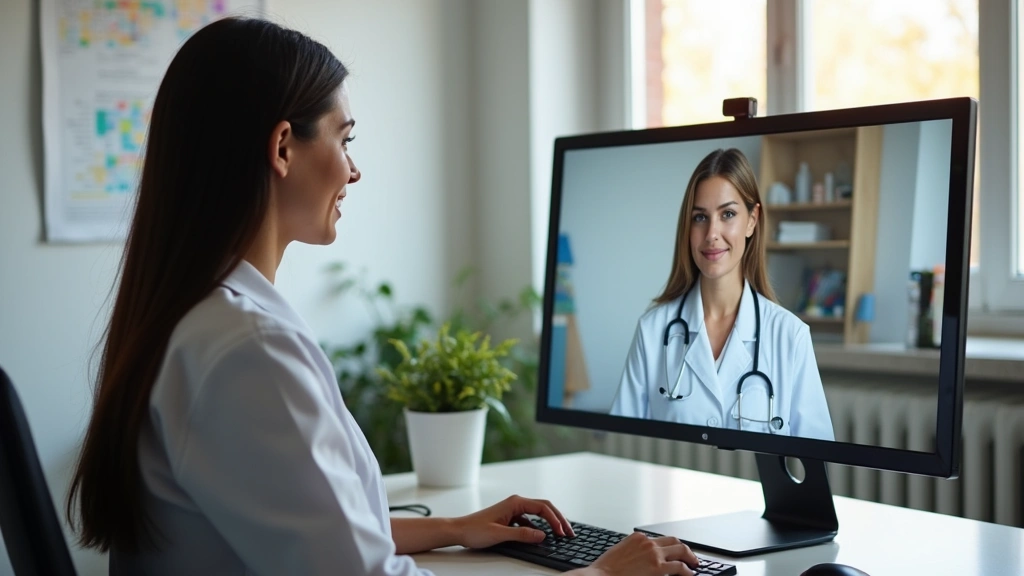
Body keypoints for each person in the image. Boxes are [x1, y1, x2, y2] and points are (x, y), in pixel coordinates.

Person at [63, 17, 702, 576]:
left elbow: (307, 530)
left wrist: (454, 527)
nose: (353, 169)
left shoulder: (192, 319)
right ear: (283, 147)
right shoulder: (246, 350)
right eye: (345, 140)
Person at [609, 148, 835, 441]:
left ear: (752, 220)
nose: (712, 234)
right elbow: (621, 447)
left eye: (727, 214)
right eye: (700, 218)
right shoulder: (652, 332)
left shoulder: (790, 336)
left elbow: (816, 463)